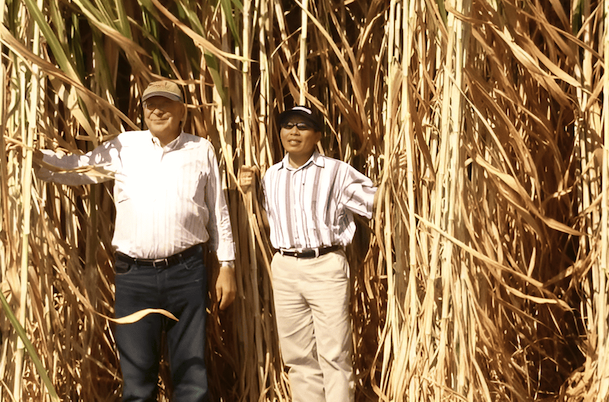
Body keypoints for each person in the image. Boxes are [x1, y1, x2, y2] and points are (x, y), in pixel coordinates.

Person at [34, 78, 237, 402]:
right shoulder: (124, 147)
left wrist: (226, 264)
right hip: (134, 277)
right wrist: (34, 157)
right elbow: (78, 169)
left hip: (186, 273)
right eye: (150, 104)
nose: (157, 110)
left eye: (166, 103)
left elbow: (218, 211)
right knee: (138, 379)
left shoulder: (201, 149)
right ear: (142, 111)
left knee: (191, 376)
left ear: (181, 110)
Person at [239, 104, 375, 402]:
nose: (294, 132)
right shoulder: (271, 176)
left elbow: (376, 204)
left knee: (334, 353)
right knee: (298, 356)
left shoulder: (336, 172)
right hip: (285, 267)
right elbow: (271, 224)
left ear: (317, 135)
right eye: (288, 125)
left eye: (303, 126)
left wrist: (396, 177)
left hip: (325, 265)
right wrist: (248, 195)